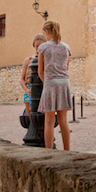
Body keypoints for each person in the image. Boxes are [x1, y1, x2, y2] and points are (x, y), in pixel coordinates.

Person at [37, 20, 71, 150]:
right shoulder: (66, 47)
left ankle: (49, 151)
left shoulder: (43, 47)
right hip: (64, 83)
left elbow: (41, 71)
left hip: (51, 83)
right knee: (63, 120)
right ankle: (67, 150)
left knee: (49, 121)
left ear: (46, 32)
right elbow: (66, 67)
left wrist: (47, 83)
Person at [19, 34, 46, 116]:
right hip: (30, 90)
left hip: (42, 89)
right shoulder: (28, 60)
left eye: (41, 46)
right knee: (30, 116)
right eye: (37, 46)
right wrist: (26, 90)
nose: (38, 48)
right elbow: (22, 79)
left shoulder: (46, 59)